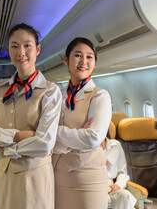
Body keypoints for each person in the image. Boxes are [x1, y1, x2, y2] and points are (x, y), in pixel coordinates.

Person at [0, 23, 62, 209]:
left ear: (38, 49)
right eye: (14, 46)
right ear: (8, 50)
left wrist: (2, 140)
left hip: (34, 178)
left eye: (27, 45)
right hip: (3, 175)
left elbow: (45, 143)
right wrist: (22, 135)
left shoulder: (50, 91)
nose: (21, 52)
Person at [52, 37, 112, 209]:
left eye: (89, 57)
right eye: (78, 55)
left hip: (88, 180)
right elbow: (43, 134)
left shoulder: (100, 96)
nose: (83, 62)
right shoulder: (57, 96)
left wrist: (55, 133)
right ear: (66, 59)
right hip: (57, 175)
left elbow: (93, 138)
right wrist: (75, 136)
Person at [101, 133, 136, 209]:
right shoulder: (84, 146)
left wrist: (118, 184)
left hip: (109, 186)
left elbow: (122, 172)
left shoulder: (115, 145)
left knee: (125, 196)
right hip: (92, 187)